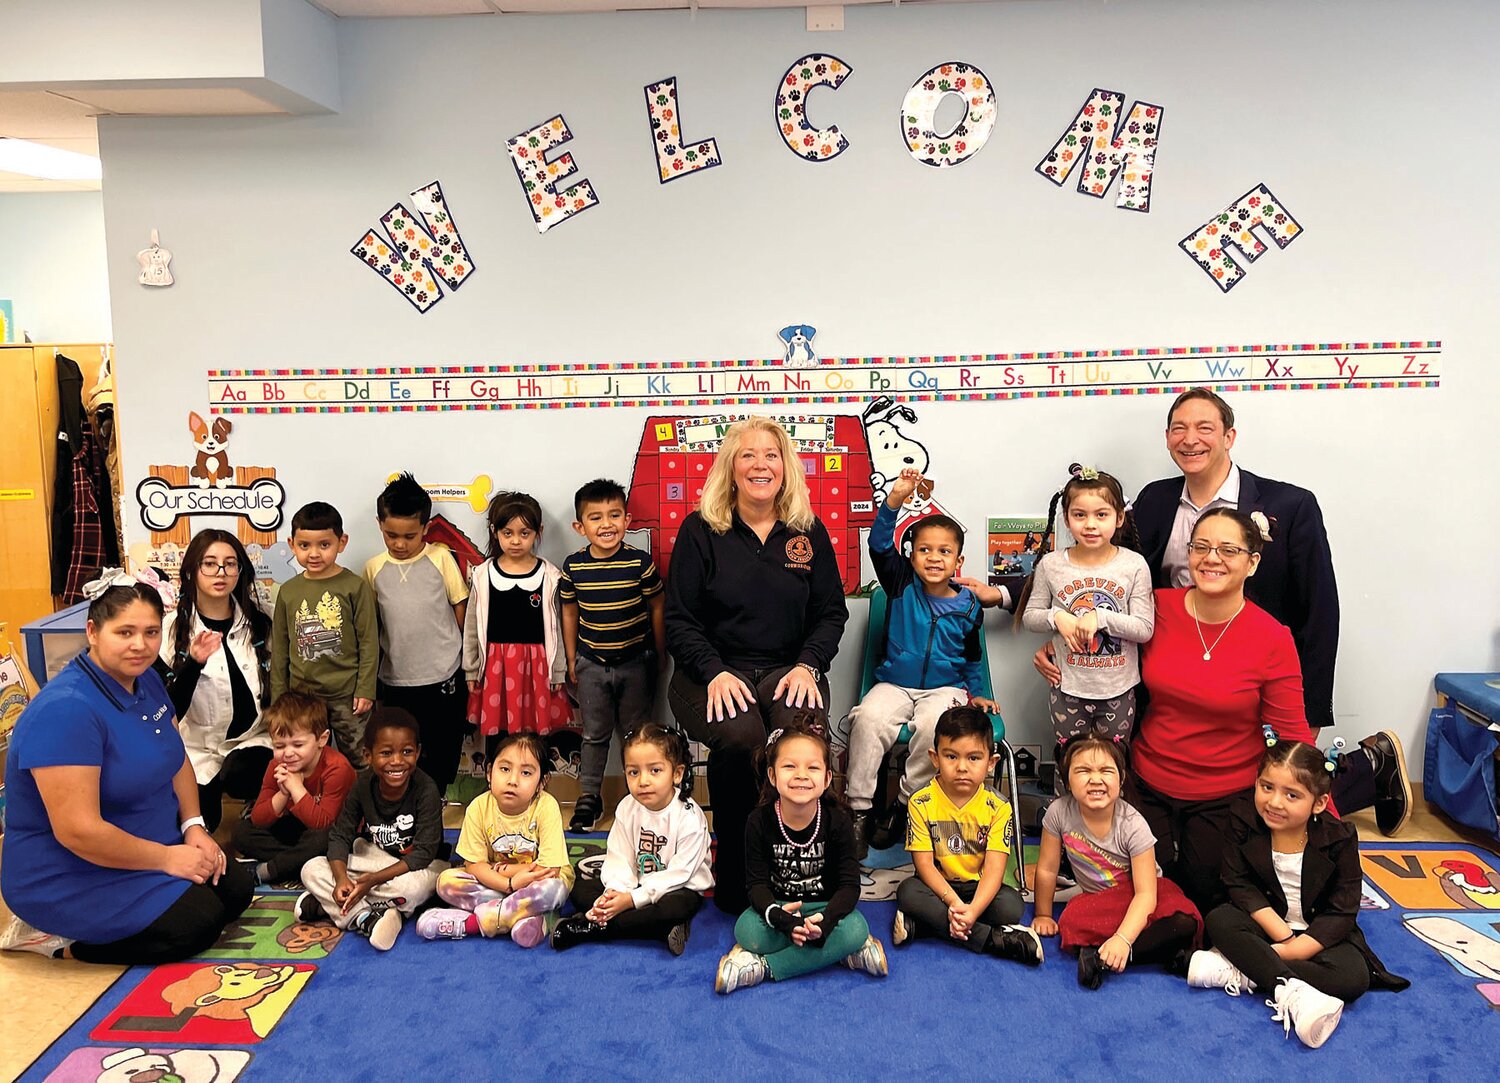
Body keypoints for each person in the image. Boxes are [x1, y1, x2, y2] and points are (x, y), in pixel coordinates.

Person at [1121, 388, 1406, 833]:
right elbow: (1109, 571)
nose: (1190, 439)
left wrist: (1309, 713)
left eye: (1205, 428)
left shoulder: (1289, 506)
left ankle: (1366, 770)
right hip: (1175, 670)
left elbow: (1319, 614)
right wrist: (1056, 626)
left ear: (1230, 436)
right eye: (1179, 428)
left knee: (1276, 785)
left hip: (1253, 678)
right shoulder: (1154, 500)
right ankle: (1370, 766)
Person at [0, 571, 251, 963]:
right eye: (125, 632)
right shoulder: (65, 710)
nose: (140, 645)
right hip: (68, 873)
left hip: (145, 843)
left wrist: (194, 828)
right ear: (93, 632)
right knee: (196, 923)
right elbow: (79, 832)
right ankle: (59, 943)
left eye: (151, 632)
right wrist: (169, 859)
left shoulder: (144, 679)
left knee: (235, 889)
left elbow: (175, 756)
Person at [666, 417, 848, 913]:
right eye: (748, 455)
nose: (760, 465)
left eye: (771, 455)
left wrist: (809, 663)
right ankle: (737, 877)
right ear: (730, 467)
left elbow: (831, 613)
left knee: (794, 741)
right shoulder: (700, 531)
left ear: (785, 468)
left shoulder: (807, 532)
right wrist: (714, 670)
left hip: (788, 669)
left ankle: (799, 868)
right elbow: (680, 621)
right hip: (708, 673)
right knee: (744, 739)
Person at [1130, 508, 1322, 913]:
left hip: (1225, 790)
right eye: (1201, 547)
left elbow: (1291, 734)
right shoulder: (1153, 607)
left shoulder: (1272, 637)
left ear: (1253, 562)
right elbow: (1101, 634)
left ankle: (1365, 772)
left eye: (1228, 549)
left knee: (1206, 901)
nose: (1211, 558)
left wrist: (1321, 818)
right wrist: (1056, 650)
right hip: (1148, 778)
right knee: (1149, 895)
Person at [1189, 741, 1408, 1048]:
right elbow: (1237, 882)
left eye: (1292, 795)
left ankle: (1241, 970)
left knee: (1354, 978)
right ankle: (1288, 990)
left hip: (1315, 936)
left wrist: (1294, 949)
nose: (1275, 802)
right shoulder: (1242, 818)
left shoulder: (1340, 837)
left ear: (1318, 803)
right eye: (1266, 787)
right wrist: (1280, 934)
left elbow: (1342, 910)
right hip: (1265, 927)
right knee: (1219, 919)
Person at [845, 468, 997, 856]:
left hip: (944, 689)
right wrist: (895, 498)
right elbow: (879, 544)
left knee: (934, 726)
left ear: (958, 560)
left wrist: (977, 694)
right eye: (924, 550)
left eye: (944, 552)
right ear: (911, 556)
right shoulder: (899, 584)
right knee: (868, 720)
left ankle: (904, 804)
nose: (933, 558)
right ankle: (859, 811)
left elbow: (972, 658)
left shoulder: (968, 605)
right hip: (894, 684)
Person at [714, 724, 887, 993]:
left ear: (828, 778)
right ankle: (841, 953)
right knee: (746, 930)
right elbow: (756, 886)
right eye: (790, 767)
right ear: (772, 775)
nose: (801, 776)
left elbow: (850, 887)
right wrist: (784, 922)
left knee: (856, 928)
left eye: (813, 768)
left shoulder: (839, 820)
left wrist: (827, 923)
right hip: (782, 909)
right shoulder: (758, 821)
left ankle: (765, 968)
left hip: (824, 909)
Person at [1019, 467, 1154, 792]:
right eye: (1079, 514)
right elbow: (1030, 616)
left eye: (1101, 514)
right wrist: (1058, 618)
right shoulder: (1052, 564)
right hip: (1068, 688)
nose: (1090, 524)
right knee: (1070, 763)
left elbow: (1145, 628)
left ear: (1119, 517)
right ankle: (1065, 833)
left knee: (1112, 766)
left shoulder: (1134, 564)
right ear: (1066, 518)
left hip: (1118, 690)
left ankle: (1109, 835)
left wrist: (1101, 618)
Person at [1031, 736, 1201, 990]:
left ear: (1121, 778)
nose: (1096, 779)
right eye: (1084, 771)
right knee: (1071, 921)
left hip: (1141, 896)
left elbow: (1146, 894)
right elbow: (1046, 868)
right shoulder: (1058, 812)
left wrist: (1122, 939)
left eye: (1105, 771)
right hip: (1099, 902)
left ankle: (1104, 956)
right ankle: (1157, 953)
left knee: (1184, 921)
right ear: (1066, 780)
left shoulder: (1133, 825)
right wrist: (1043, 914)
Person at [891, 706, 1041, 964]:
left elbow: (995, 870)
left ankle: (925, 927)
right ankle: (993, 940)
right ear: (934, 757)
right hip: (937, 888)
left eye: (973, 758)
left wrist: (973, 909)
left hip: (978, 889)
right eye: (951, 756)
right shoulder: (920, 801)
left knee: (1011, 906)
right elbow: (924, 865)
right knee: (907, 892)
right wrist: (954, 904)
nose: (962, 767)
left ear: (991, 763)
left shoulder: (998, 806)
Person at [560, 478, 666, 832]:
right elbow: (570, 613)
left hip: (636, 662)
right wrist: (573, 658)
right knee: (594, 734)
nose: (606, 524)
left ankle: (642, 797)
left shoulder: (639, 563)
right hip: (591, 664)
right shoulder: (574, 567)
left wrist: (659, 652)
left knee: (637, 734)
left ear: (627, 519)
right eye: (596, 518)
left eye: (614, 515)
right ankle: (589, 797)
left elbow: (657, 606)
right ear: (580, 526)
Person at [552, 723, 712, 955]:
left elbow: (681, 873)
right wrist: (615, 894)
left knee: (675, 907)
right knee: (579, 889)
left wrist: (631, 900)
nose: (643, 781)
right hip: (634, 883)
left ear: (676, 773)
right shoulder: (627, 807)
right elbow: (619, 856)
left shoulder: (690, 816)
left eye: (655, 770)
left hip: (676, 889)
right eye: (633, 772)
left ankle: (593, 928)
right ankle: (654, 930)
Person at [296, 708, 444, 951]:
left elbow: (423, 855)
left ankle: (327, 905)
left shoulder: (426, 789)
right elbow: (341, 835)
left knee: (415, 890)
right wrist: (342, 878)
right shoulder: (362, 784)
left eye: (406, 752)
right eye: (386, 753)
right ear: (368, 755)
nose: (397, 761)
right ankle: (368, 915)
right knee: (311, 869)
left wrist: (371, 881)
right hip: (374, 859)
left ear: (417, 753)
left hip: (416, 868)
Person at [161, 529, 274, 832]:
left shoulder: (262, 621)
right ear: (191, 570)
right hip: (196, 749)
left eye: (230, 564)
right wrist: (194, 664)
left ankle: (255, 806)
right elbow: (167, 710)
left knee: (243, 774)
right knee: (199, 824)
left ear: (241, 571)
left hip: (252, 741)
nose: (221, 572)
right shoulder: (168, 631)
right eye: (209, 564)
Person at [364, 472, 469, 795]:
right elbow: (372, 625)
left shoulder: (440, 559)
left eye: (409, 536)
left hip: (443, 675)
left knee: (442, 744)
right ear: (380, 524)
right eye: (391, 535)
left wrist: (460, 656)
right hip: (396, 680)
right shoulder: (374, 568)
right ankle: (405, 802)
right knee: (400, 745)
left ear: (425, 528)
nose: (400, 544)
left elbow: (459, 605)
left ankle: (434, 799)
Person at [417, 732, 573, 947]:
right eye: (505, 769)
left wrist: (500, 870)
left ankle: (471, 923)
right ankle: (531, 917)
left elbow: (549, 870)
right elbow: (473, 866)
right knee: (446, 882)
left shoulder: (547, 806)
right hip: (499, 883)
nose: (512, 780)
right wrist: (509, 883)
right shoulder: (478, 807)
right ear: (489, 773)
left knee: (553, 889)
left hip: (537, 882)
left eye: (526, 772)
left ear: (542, 782)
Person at [463, 491, 570, 762]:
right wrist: (471, 668)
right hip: (496, 669)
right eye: (507, 532)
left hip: (536, 668)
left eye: (525, 533)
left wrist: (558, 671)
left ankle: (535, 788)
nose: (515, 540)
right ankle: (496, 788)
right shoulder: (483, 574)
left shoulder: (549, 576)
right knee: (500, 739)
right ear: (494, 531)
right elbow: (473, 627)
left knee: (534, 740)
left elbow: (557, 628)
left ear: (538, 532)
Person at [271, 501, 379, 768]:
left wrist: (365, 688)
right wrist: (279, 696)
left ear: (341, 542)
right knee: (306, 759)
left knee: (358, 758)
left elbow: (369, 641)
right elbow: (281, 648)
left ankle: (360, 807)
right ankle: (311, 806)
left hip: (347, 695)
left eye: (324, 545)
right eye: (305, 545)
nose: (314, 554)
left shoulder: (355, 587)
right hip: (301, 696)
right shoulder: (288, 591)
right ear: (292, 544)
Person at [231, 691, 355, 887]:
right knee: (242, 833)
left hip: (331, 832)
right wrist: (283, 793)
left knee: (324, 840)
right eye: (279, 746)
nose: (288, 753)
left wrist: (297, 788)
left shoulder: (337, 768)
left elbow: (322, 823)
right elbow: (258, 819)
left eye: (298, 744)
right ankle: (299, 863)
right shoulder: (276, 765)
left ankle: (269, 870)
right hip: (298, 832)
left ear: (322, 740)